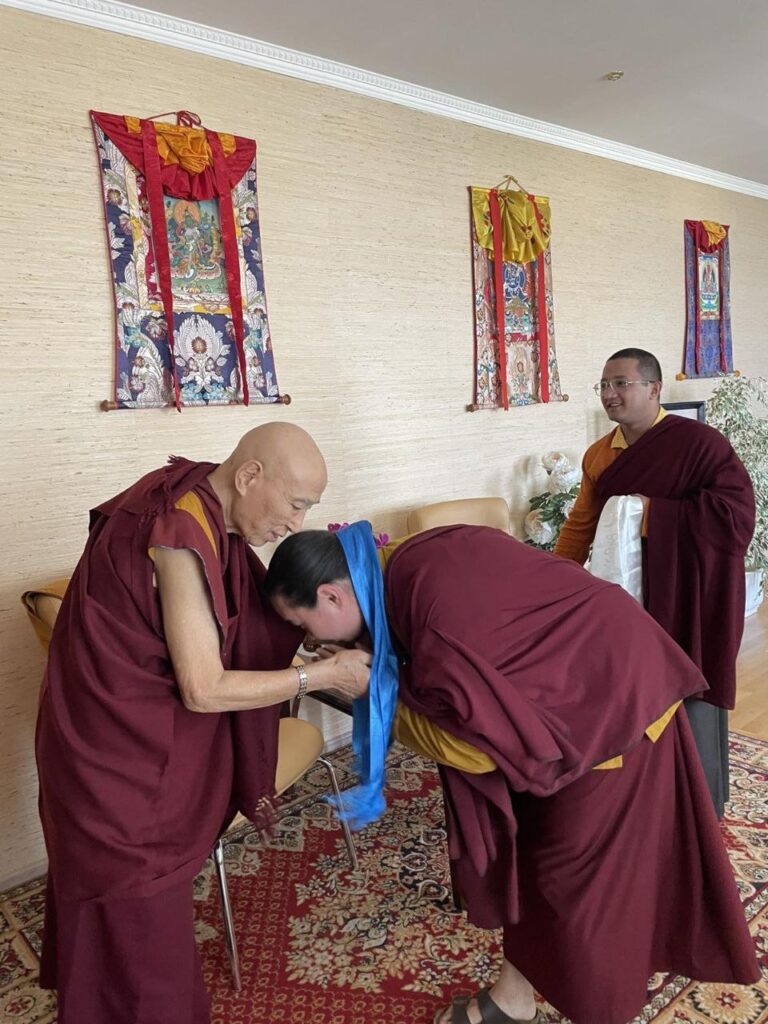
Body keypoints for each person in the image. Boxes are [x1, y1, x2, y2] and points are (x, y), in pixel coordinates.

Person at [264, 522, 759, 1024]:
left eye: (303, 625)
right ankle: (513, 999)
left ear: (330, 595)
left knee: (571, 881)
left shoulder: (431, 613)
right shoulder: (410, 560)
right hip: (598, 676)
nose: (308, 640)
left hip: (608, 715)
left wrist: (370, 693)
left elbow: (476, 751)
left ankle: (603, 1008)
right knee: (538, 859)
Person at [35, 422, 371, 1024]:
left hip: (118, 743)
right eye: (296, 505)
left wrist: (297, 653)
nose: (294, 525)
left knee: (123, 937)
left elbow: (224, 629)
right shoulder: (178, 535)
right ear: (248, 476)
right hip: (120, 767)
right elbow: (203, 686)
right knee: (140, 947)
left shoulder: (198, 506)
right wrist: (321, 678)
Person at [554, 348, 755, 817]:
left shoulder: (701, 444)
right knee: (631, 692)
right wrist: (556, 578)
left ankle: (703, 805)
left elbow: (736, 516)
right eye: (604, 385)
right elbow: (581, 526)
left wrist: (652, 515)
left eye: (621, 383)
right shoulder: (600, 456)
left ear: (654, 389)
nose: (610, 395)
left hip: (690, 593)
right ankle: (647, 801)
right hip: (629, 597)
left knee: (692, 685)